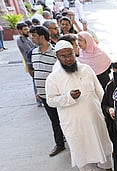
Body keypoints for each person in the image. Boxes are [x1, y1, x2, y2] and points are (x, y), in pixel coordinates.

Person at [45, 40, 113, 171]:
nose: (68, 59)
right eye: (64, 56)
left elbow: (99, 90)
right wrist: (68, 97)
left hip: (94, 115)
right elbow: (50, 101)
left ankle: (108, 168)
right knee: (81, 147)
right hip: (73, 121)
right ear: (57, 57)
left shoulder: (86, 69)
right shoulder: (53, 78)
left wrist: (106, 109)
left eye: (70, 55)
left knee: (102, 141)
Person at [29, 25, 66, 157]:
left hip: (57, 95)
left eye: (34, 36)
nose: (31, 38)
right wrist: (38, 91)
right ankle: (60, 144)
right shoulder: (33, 53)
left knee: (64, 119)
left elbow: (61, 74)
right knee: (54, 120)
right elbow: (36, 72)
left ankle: (70, 140)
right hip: (44, 95)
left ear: (42, 37)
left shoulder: (55, 53)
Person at [16, 22, 40, 106]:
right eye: (25, 29)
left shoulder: (28, 38)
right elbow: (30, 50)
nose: (27, 30)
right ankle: (39, 100)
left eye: (27, 28)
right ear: (20, 31)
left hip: (35, 60)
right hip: (31, 62)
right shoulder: (21, 40)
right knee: (35, 80)